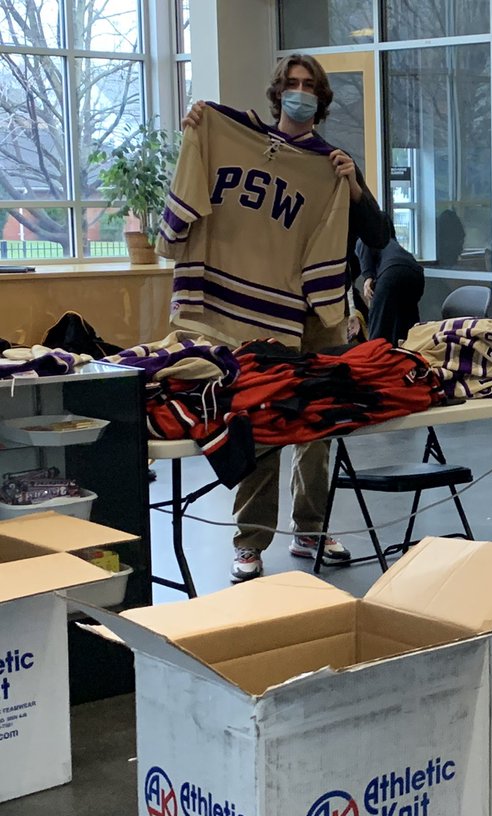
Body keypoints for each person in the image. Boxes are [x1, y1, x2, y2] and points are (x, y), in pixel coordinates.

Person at [181, 54, 390, 582]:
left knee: (316, 423)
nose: (300, 93)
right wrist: (198, 130)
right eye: (292, 85)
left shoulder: (332, 162)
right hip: (257, 314)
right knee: (262, 418)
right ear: (278, 93)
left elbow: (378, 236)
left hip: (319, 312)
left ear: (321, 99)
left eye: (309, 86)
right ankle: (250, 541)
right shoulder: (238, 141)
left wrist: (355, 187)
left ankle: (311, 529)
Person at [357, 224, 425, 344]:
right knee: (408, 322)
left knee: (379, 325)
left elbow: (363, 244)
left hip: (392, 272)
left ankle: (375, 358)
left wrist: (368, 277)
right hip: (416, 273)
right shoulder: (393, 243)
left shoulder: (368, 237)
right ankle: (411, 355)